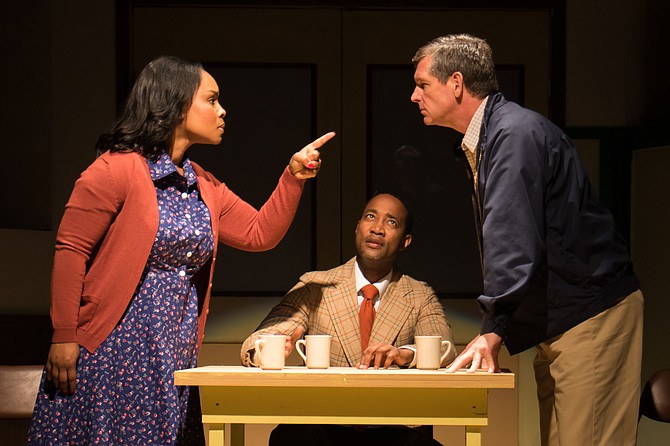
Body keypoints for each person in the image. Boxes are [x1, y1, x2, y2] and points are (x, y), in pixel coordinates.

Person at [27, 55, 335, 446]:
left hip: (173, 349)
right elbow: (71, 249)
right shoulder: (116, 170)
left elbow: (260, 233)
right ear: (176, 103)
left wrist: (292, 177)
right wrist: (64, 336)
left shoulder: (203, 185)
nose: (222, 111)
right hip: (114, 350)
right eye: (211, 100)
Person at [410, 34, 643, 445]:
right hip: (561, 316)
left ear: (457, 83)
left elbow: (512, 234)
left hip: (589, 312)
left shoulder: (513, 133)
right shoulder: (492, 135)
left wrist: (494, 326)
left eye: (423, 84)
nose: (414, 96)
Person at [241, 192, 455, 446]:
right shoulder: (316, 285)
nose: (377, 229)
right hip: (323, 423)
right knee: (291, 436)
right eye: (370, 217)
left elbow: (446, 349)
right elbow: (255, 343)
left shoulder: (419, 294)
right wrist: (273, 347)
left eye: (391, 222)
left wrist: (405, 354)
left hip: (392, 426)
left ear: (405, 241)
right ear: (357, 228)